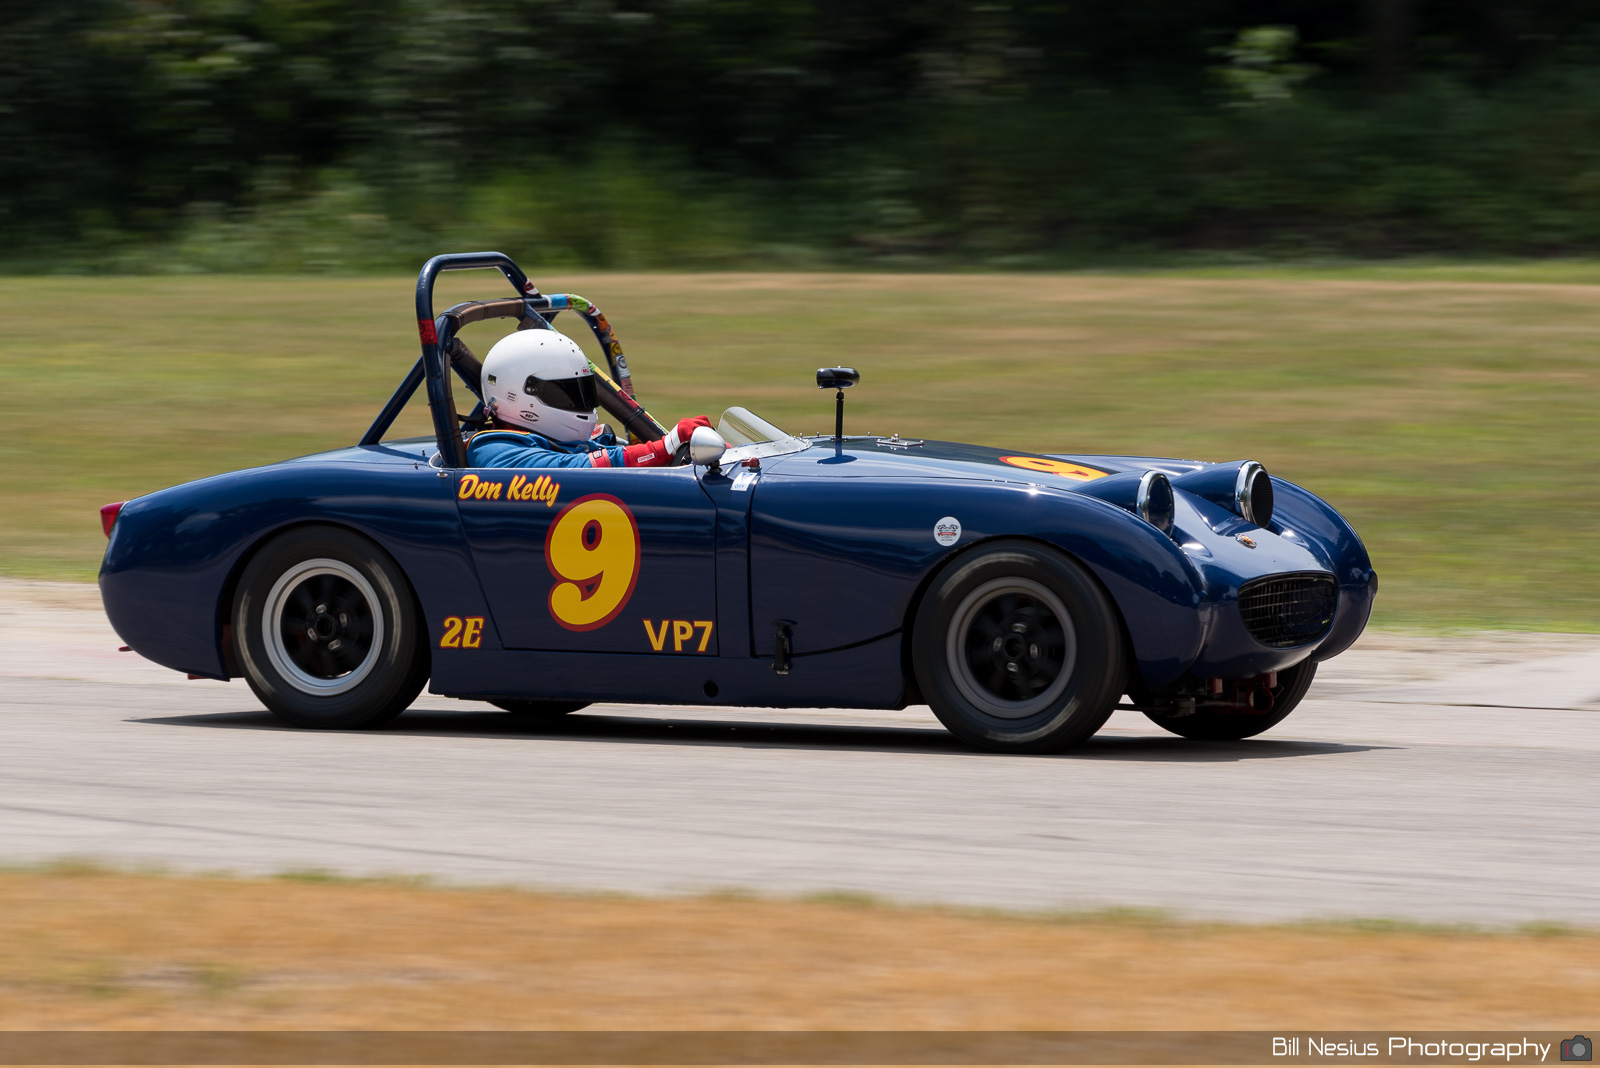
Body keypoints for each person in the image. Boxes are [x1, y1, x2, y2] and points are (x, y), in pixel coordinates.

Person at [466, 328, 712, 469]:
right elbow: (573, 470)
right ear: (520, 395)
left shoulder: (566, 441)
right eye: (565, 392)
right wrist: (664, 446)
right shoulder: (494, 450)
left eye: (581, 391)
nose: (580, 402)